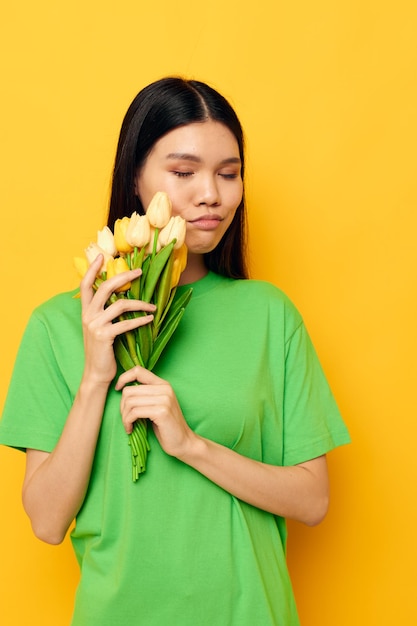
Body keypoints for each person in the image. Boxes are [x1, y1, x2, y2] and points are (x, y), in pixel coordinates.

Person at [0, 77, 350, 625]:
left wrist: (191, 446)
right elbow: (46, 522)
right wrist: (96, 376)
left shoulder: (268, 314)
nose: (211, 193)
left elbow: (313, 501)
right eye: (184, 173)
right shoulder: (57, 327)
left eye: (229, 173)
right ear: (135, 177)